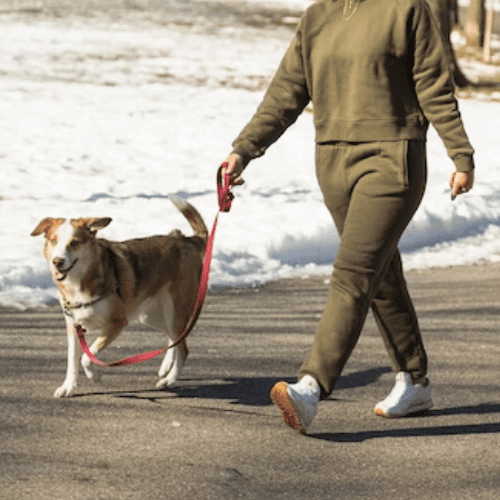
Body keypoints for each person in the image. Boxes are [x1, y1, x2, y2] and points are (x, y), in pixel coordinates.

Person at [220, 0, 474, 434]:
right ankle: (414, 380)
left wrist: (460, 154)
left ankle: (311, 385)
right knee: (379, 270)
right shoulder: (318, 16)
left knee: (353, 271)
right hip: (333, 162)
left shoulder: (407, 8)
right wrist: (244, 149)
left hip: (394, 157)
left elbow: (432, 82)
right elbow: (286, 93)